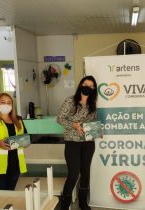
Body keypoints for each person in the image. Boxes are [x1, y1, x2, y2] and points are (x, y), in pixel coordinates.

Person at [57, 75, 98, 210]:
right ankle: (65, 203)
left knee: (85, 173)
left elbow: (93, 122)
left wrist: (96, 131)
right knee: (73, 174)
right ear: (81, 85)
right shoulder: (70, 101)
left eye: (91, 86)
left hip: (88, 142)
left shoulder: (93, 104)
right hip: (72, 142)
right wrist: (74, 125)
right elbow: (60, 119)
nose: (88, 88)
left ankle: (82, 202)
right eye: (86, 85)